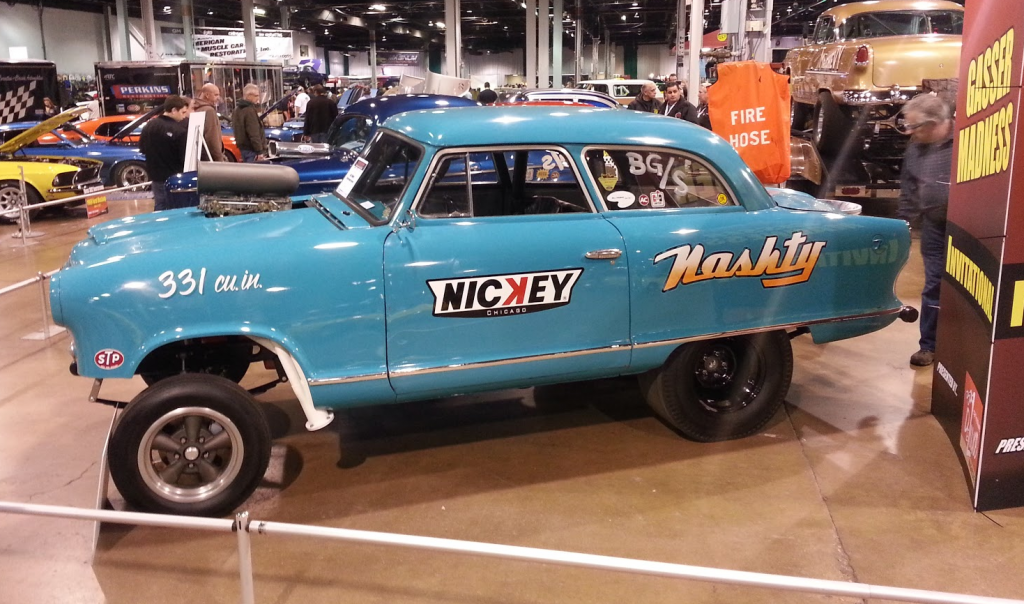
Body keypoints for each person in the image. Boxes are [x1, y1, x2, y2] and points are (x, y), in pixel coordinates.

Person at [897, 94, 954, 367]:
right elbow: (908, 186)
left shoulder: (968, 140)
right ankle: (929, 346)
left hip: (968, 228)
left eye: (914, 126)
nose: (909, 132)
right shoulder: (915, 147)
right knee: (934, 285)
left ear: (934, 124)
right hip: (934, 226)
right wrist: (903, 223)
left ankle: (966, 344)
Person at [138, 95, 191, 211]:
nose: (184, 116)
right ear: (173, 110)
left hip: (155, 176)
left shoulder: (148, 126)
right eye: (183, 112)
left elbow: (142, 149)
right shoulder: (179, 131)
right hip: (174, 178)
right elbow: (184, 157)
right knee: (174, 209)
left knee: (159, 206)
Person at [233, 84, 268, 162]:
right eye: (256, 96)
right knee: (255, 173)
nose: (258, 99)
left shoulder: (237, 109)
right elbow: (254, 133)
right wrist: (259, 152)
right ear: (249, 96)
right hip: (252, 151)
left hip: (243, 149)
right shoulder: (249, 110)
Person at [192, 83, 225, 161]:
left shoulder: (195, 108)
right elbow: (212, 138)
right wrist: (219, 159)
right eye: (216, 95)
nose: (218, 98)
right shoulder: (209, 111)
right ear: (207, 95)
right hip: (210, 159)